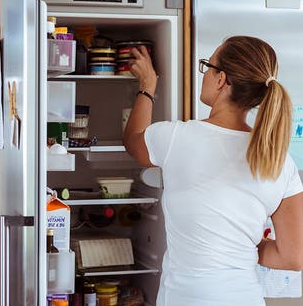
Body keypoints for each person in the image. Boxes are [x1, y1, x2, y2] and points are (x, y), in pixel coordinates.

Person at [123, 36, 303, 306]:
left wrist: (147, 86)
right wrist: (241, 246)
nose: (204, 73)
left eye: (208, 65)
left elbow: (134, 140)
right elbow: (292, 257)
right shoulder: (280, 161)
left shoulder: (177, 139)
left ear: (222, 79)